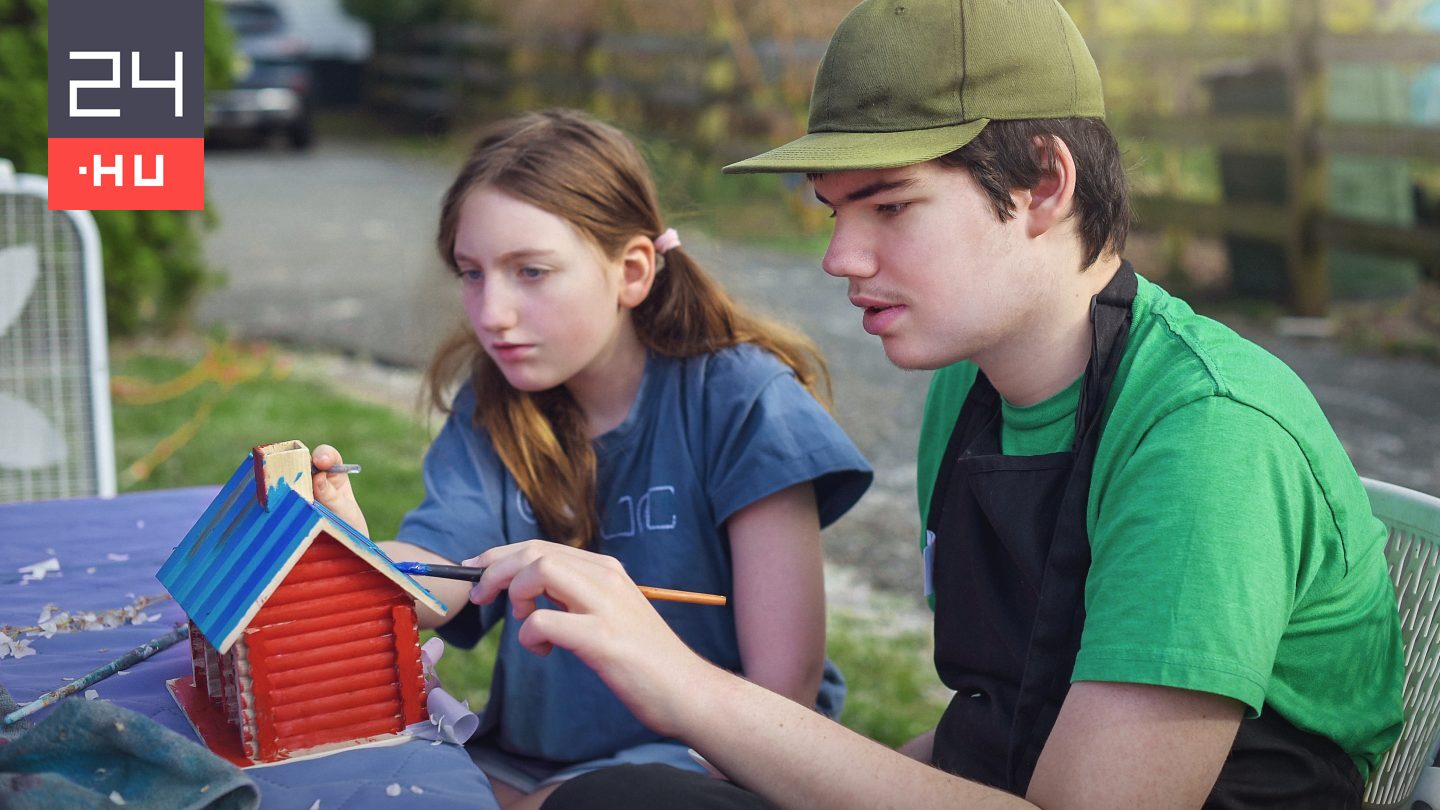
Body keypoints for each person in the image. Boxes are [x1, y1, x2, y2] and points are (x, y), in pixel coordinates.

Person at [461, 1, 1407, 808]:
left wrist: (683, 688)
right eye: (836, 211)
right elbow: (996, 728)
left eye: (891, 207)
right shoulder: (970, 381)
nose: (840, 257)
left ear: (1043, 183)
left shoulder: (1206, 434)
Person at [309, 109, 873, 810]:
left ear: (631, 270)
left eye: (532, 272)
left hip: (713, 765)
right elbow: (438, 566)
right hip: (522, 763)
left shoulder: (743, 401)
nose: (492, 312)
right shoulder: (493, 408)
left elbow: (784, 689)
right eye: (472, 273)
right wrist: (354, 560)